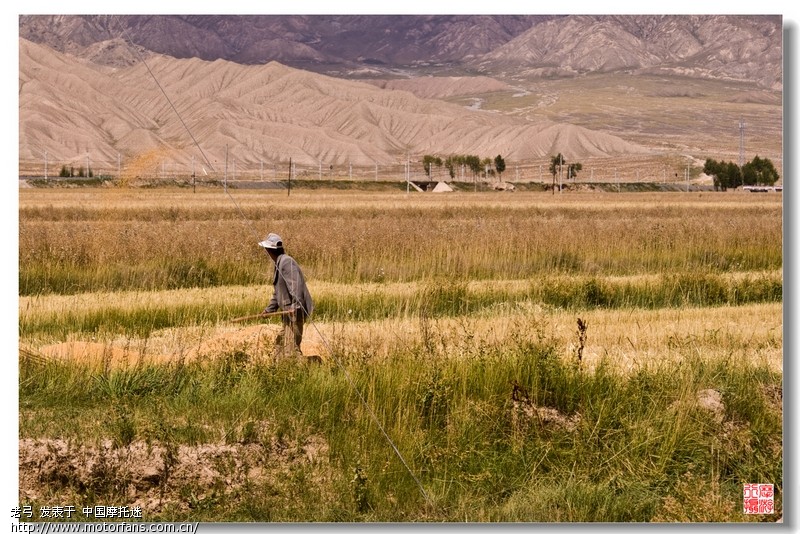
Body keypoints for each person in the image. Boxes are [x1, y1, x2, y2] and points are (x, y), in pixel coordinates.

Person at [259, 233, 314, 360]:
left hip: (295, 313)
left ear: (269, 250)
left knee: (291, 352)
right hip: (288, 313)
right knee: (280, 345)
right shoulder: (279, 263)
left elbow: (296, 286)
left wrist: (295, 306)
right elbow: (278, 292)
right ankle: (278, 372)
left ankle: (314, 364)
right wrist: (269, 309)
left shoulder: (286, 262)